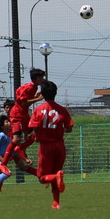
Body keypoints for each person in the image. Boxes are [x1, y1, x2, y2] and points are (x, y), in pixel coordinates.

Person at [27, 80, 73, 209]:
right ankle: (56, 202)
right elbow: (69, 128)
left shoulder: (38, 109)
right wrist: (58, 130)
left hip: (46, 146)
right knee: (55, 172)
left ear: (42, 93)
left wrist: (38, 135)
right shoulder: (62, 110)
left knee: (42, 177)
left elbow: (34, 126)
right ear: (55, 93)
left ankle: (57, 178)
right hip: (59, 145)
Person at [0, 68, 46, 177]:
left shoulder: (33, 87)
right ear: (35, 78)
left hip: (23, 115)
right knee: (16, 139)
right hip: (18, 116)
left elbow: (23, 99)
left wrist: (35, 97)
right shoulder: (30, 87)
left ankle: (20, 148)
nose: (42, 80)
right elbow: (23, 103)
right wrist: (38, 99)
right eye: (41, 78)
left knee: (35, 130)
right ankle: (3, 163)